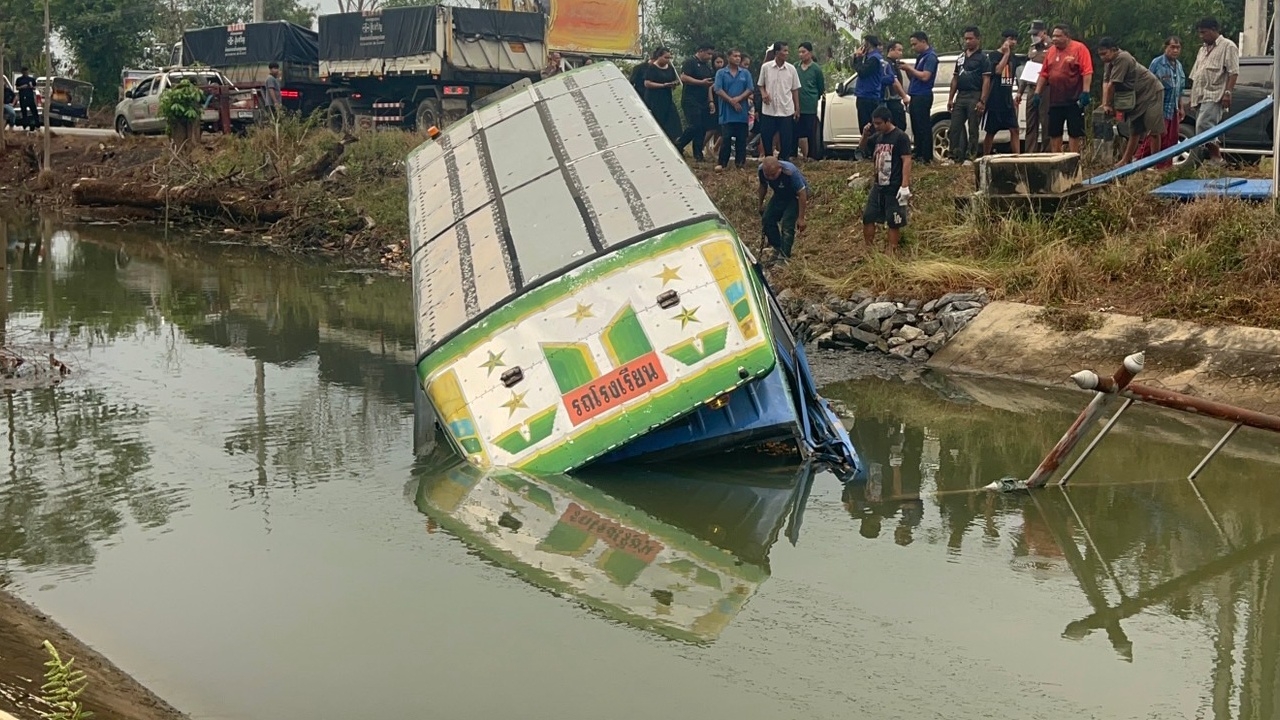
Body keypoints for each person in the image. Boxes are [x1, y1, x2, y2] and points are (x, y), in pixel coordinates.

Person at [1098, 37, 1167, 167]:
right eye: (1100, 54)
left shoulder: (1123, 58)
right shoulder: (1109, 62)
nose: (1102, 57)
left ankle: (1155, 162)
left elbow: (1113, 84)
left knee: (1153, 129)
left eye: (1104, 53)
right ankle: (1125, 160)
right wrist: (1104, 104)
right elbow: (1105, 82)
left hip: (1151, 92)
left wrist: (1108, 104)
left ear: (1113, 50)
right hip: (1137, 97)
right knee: (1134, 129)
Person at [1031, 24, 1093, 153]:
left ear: (1067, 36)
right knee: (1054, 131)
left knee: (1074, 132)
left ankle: (1074, 160)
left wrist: (1086, 91)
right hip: (1055, 99)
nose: (1055, 39)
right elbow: (1044, 73)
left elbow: (1087, 71)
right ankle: (1056, 159)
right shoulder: (1051, 51)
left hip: (1074, 98)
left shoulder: (1079, 48)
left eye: (1058, 36)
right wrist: (1037, 93)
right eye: (1053, 36)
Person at [859, 105, 912, 252]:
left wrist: (904, 185)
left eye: (879, 123)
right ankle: (868, 250)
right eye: (874, 123)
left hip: (894, 185)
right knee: (868, 216)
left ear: (888, 121)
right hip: (878, 184)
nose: (876, 126)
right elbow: (862, 148)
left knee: (894, 221)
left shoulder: (900, 137)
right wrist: (865, 134)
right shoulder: (877, 137)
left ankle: (892, 252)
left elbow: (906, 160)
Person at [1188, 16, 1238, 165]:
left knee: (1204, 125)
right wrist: (1192, 97)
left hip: (1215, 94)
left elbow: (1233, 72)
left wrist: (1228, 93)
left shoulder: (1228, 46)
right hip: (1200, 94)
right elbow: (1195, 74)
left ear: (1214, 30)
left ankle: (1216, 157)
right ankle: (1213, 159)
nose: (1201, 36)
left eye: (1204, 32)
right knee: (1205, 128)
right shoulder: (1202, 49)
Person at [947, 27, 992, 164]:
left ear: (978, 39)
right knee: (955, 127)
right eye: (965, 38)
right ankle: (953, 155)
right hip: (961, 95)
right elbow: (955, 78)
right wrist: (950, 98)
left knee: (973, 127)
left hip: (975, 95)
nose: (967, 41)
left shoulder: (983, 58)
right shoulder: (961, 57)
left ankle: (970, 156)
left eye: (970, 38)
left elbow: (986, 80)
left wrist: (982, 100)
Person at [1143, 36, 1186, 168]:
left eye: (1178, 48)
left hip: (1173, 107)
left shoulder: (1178, 65)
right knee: (1157, 135)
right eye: (1172, 47)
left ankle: (1165, 166)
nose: (1175, 51)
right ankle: (1141, 161)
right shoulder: (1157, 63)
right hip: (1159, 106)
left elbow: (1179, 89)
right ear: (1166, 47)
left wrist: (1181, 106)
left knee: (1171, 139)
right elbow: (1148, 83)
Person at [757, 155, 808, 260]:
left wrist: (801, 218)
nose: (770, 178)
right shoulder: (761, 170)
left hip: (794, 196)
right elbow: (763, 186)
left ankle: (785, 256)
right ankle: (777, 247)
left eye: (773, 175)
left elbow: (802, 193)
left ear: (779, 168)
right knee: (767, 219)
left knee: (787, 225)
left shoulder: (790, 172)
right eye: (768, 175)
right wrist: (760, 204)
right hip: (779, 195)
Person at [758, 41, 801, 161]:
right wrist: (764, 93)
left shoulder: (791, 69)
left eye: (787, 51)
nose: (787, 53)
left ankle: (784, 160)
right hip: (769, 109)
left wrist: (797, 108)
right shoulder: (766, 67)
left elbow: (795, 89)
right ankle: (768, 159)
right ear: (777, 53)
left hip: (786, 108)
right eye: (784, 51)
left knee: (786, 137)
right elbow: (760, 84)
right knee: (766, 136)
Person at [714, 48, 754, 169]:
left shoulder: (745, 73)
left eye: (739, 56)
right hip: (727, 112)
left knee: (741, 139)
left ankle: (740, 164)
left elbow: (750, 89)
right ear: (728, 57)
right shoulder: (721, 73)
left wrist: (739, 98)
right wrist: (731, 100)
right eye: (735, 56)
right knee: (726, 138)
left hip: (741, 112)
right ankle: (722, 163)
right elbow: (718, 89)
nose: (737, 58)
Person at [983, 29, 1021, 156]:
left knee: (1014, 129)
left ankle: (1017, 157)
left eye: (1015, 39)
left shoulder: (1014, 58)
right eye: (1010, 39)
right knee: (991, 131)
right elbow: (998, 71)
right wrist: (1005, 54)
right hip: (995, 98)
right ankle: (986, 156)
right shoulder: (993, 56)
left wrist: (1018, 93)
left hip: (1007, 98)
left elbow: (1016, 76)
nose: (1013, 42)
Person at [901, 32, 938, 164]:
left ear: (923, 41)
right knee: (916, 125)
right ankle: (918, 152)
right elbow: (915, 77)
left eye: (915, 44)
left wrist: (910, 69)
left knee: (923, 126)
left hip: (923, 94)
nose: (913, 47)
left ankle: (926, 156)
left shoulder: (930, 57)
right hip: (915, 94)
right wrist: (907, 71)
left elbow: (925, 76)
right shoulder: (920, 57)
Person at [675, 44, 716, 161]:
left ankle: (698, 154)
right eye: (708, 53)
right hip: (690, 99)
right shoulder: (690, 62)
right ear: (700, 51)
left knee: (702, 128)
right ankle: (679, 144)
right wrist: (700, 82)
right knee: (695, 125)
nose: (709, 56)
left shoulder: (707, 67)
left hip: (703, 101)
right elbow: (683, 77)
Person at [1017, 20, 1050, 152]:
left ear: (1043, 33)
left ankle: (1047, 153)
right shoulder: (1032, 47)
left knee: (1046, 122)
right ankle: (1030, 152)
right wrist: (1020, 91)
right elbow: (1028, 69)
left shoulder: (1052, 47)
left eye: (1036, 33)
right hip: (1031, 88)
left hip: (1046, 89)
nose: (1033, 36)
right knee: (1030, 123)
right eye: (1032, 34)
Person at [643, 47, 683, 141]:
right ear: (659, 56)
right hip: (654, 99)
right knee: (658, 120)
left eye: (669, 58)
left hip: (667, 98)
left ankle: (674, 140)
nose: (668, 60)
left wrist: (673, 84)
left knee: (673, 120)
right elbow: (647, 83)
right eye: (666, 57)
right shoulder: (652, 68)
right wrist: (662, 85)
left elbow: (673, 80)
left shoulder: (670, 68)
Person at [795, 41, 825, 160]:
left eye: (803, 52)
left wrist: (814, 98)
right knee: (795, 130)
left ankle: (812, 155)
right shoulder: (795, 67)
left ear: (810, 53)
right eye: (799, 52)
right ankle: (793, 154)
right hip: (796, 105)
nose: (801, 55)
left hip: (810, 105)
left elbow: (820, 87)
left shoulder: (816, 69)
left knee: (810, 132)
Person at [852, 35, 886, 135]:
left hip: (867, 96)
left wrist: (858, 58)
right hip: (868, 95)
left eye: (863, 43)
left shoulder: (874, 59)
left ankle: (867, 149)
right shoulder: (872, 57)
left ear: (867, 44)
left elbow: (862, 71)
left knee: (866, 128)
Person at [882, 41, 910, 137]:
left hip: (896, 99)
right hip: (891, 100)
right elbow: (894, 82)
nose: (901, 53)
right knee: (898, 126)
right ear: (891, 50)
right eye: (899, 50)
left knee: (900, 126)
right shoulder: (887, 64)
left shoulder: (895, 64)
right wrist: (904, 96)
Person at [705, 53, 727, 156]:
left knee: (721, 129)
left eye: (721, 62)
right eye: (717, 62)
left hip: (723, 102)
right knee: (712, 127)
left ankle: (715, 149)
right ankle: (701, 147)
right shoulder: (711, 73)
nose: (719, 64)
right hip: (714, 101)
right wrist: (711, 102)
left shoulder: (725, 73)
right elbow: (710, 88)